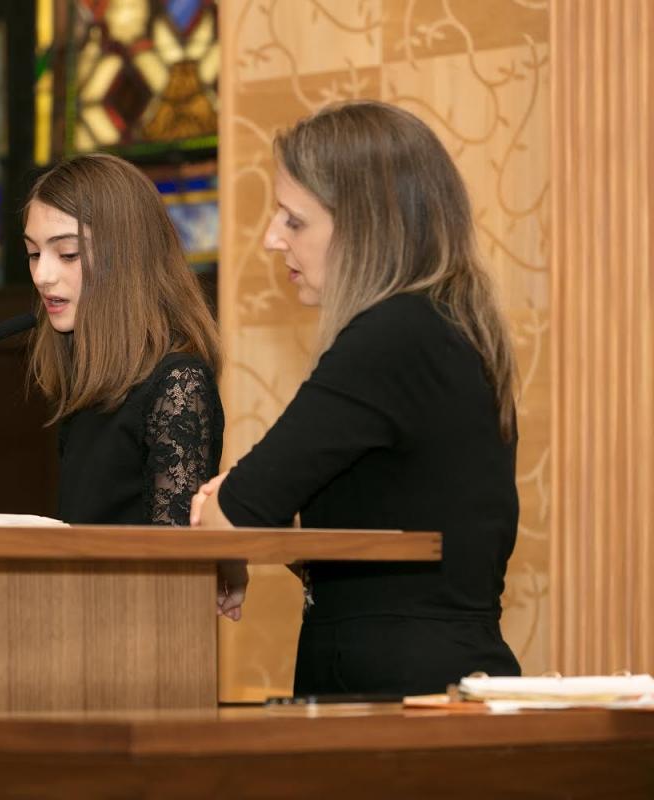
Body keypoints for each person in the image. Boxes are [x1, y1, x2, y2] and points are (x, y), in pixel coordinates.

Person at [191, 101, 522, 696]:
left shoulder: (389, 336)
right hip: (433, 676)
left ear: (363, 225)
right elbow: (388, 509)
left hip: (395, 692)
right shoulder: (445, 327)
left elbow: (235, 513)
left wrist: (229, 509)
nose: (270, 238)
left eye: (293, 220)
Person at [25, 153, 223, 526]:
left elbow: (174, 560)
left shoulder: (178, 383)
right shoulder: (88, 390)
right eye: (34, 253)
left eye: (67, 254)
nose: (42, 275)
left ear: (127, 259)